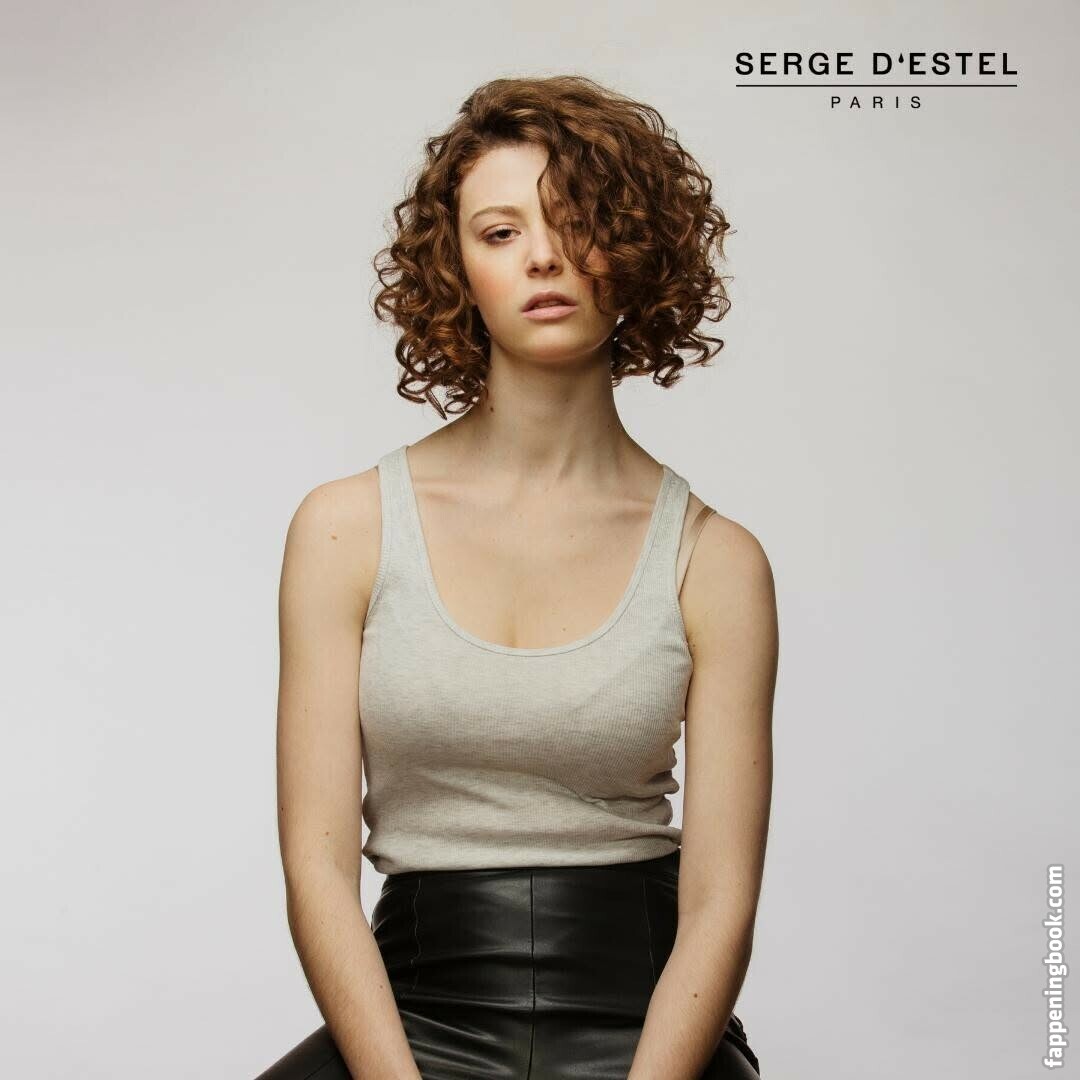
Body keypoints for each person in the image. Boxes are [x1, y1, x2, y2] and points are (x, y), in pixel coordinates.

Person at [257, 74, 777, 1080]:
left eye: (577, 222)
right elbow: (315, 871)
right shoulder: (344, 529)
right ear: (454, 269)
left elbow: (721, 905)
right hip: (410, 1025)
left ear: (635, 250)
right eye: (499, 233)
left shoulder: (717, 561)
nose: (542, 256)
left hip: (649, 1029)